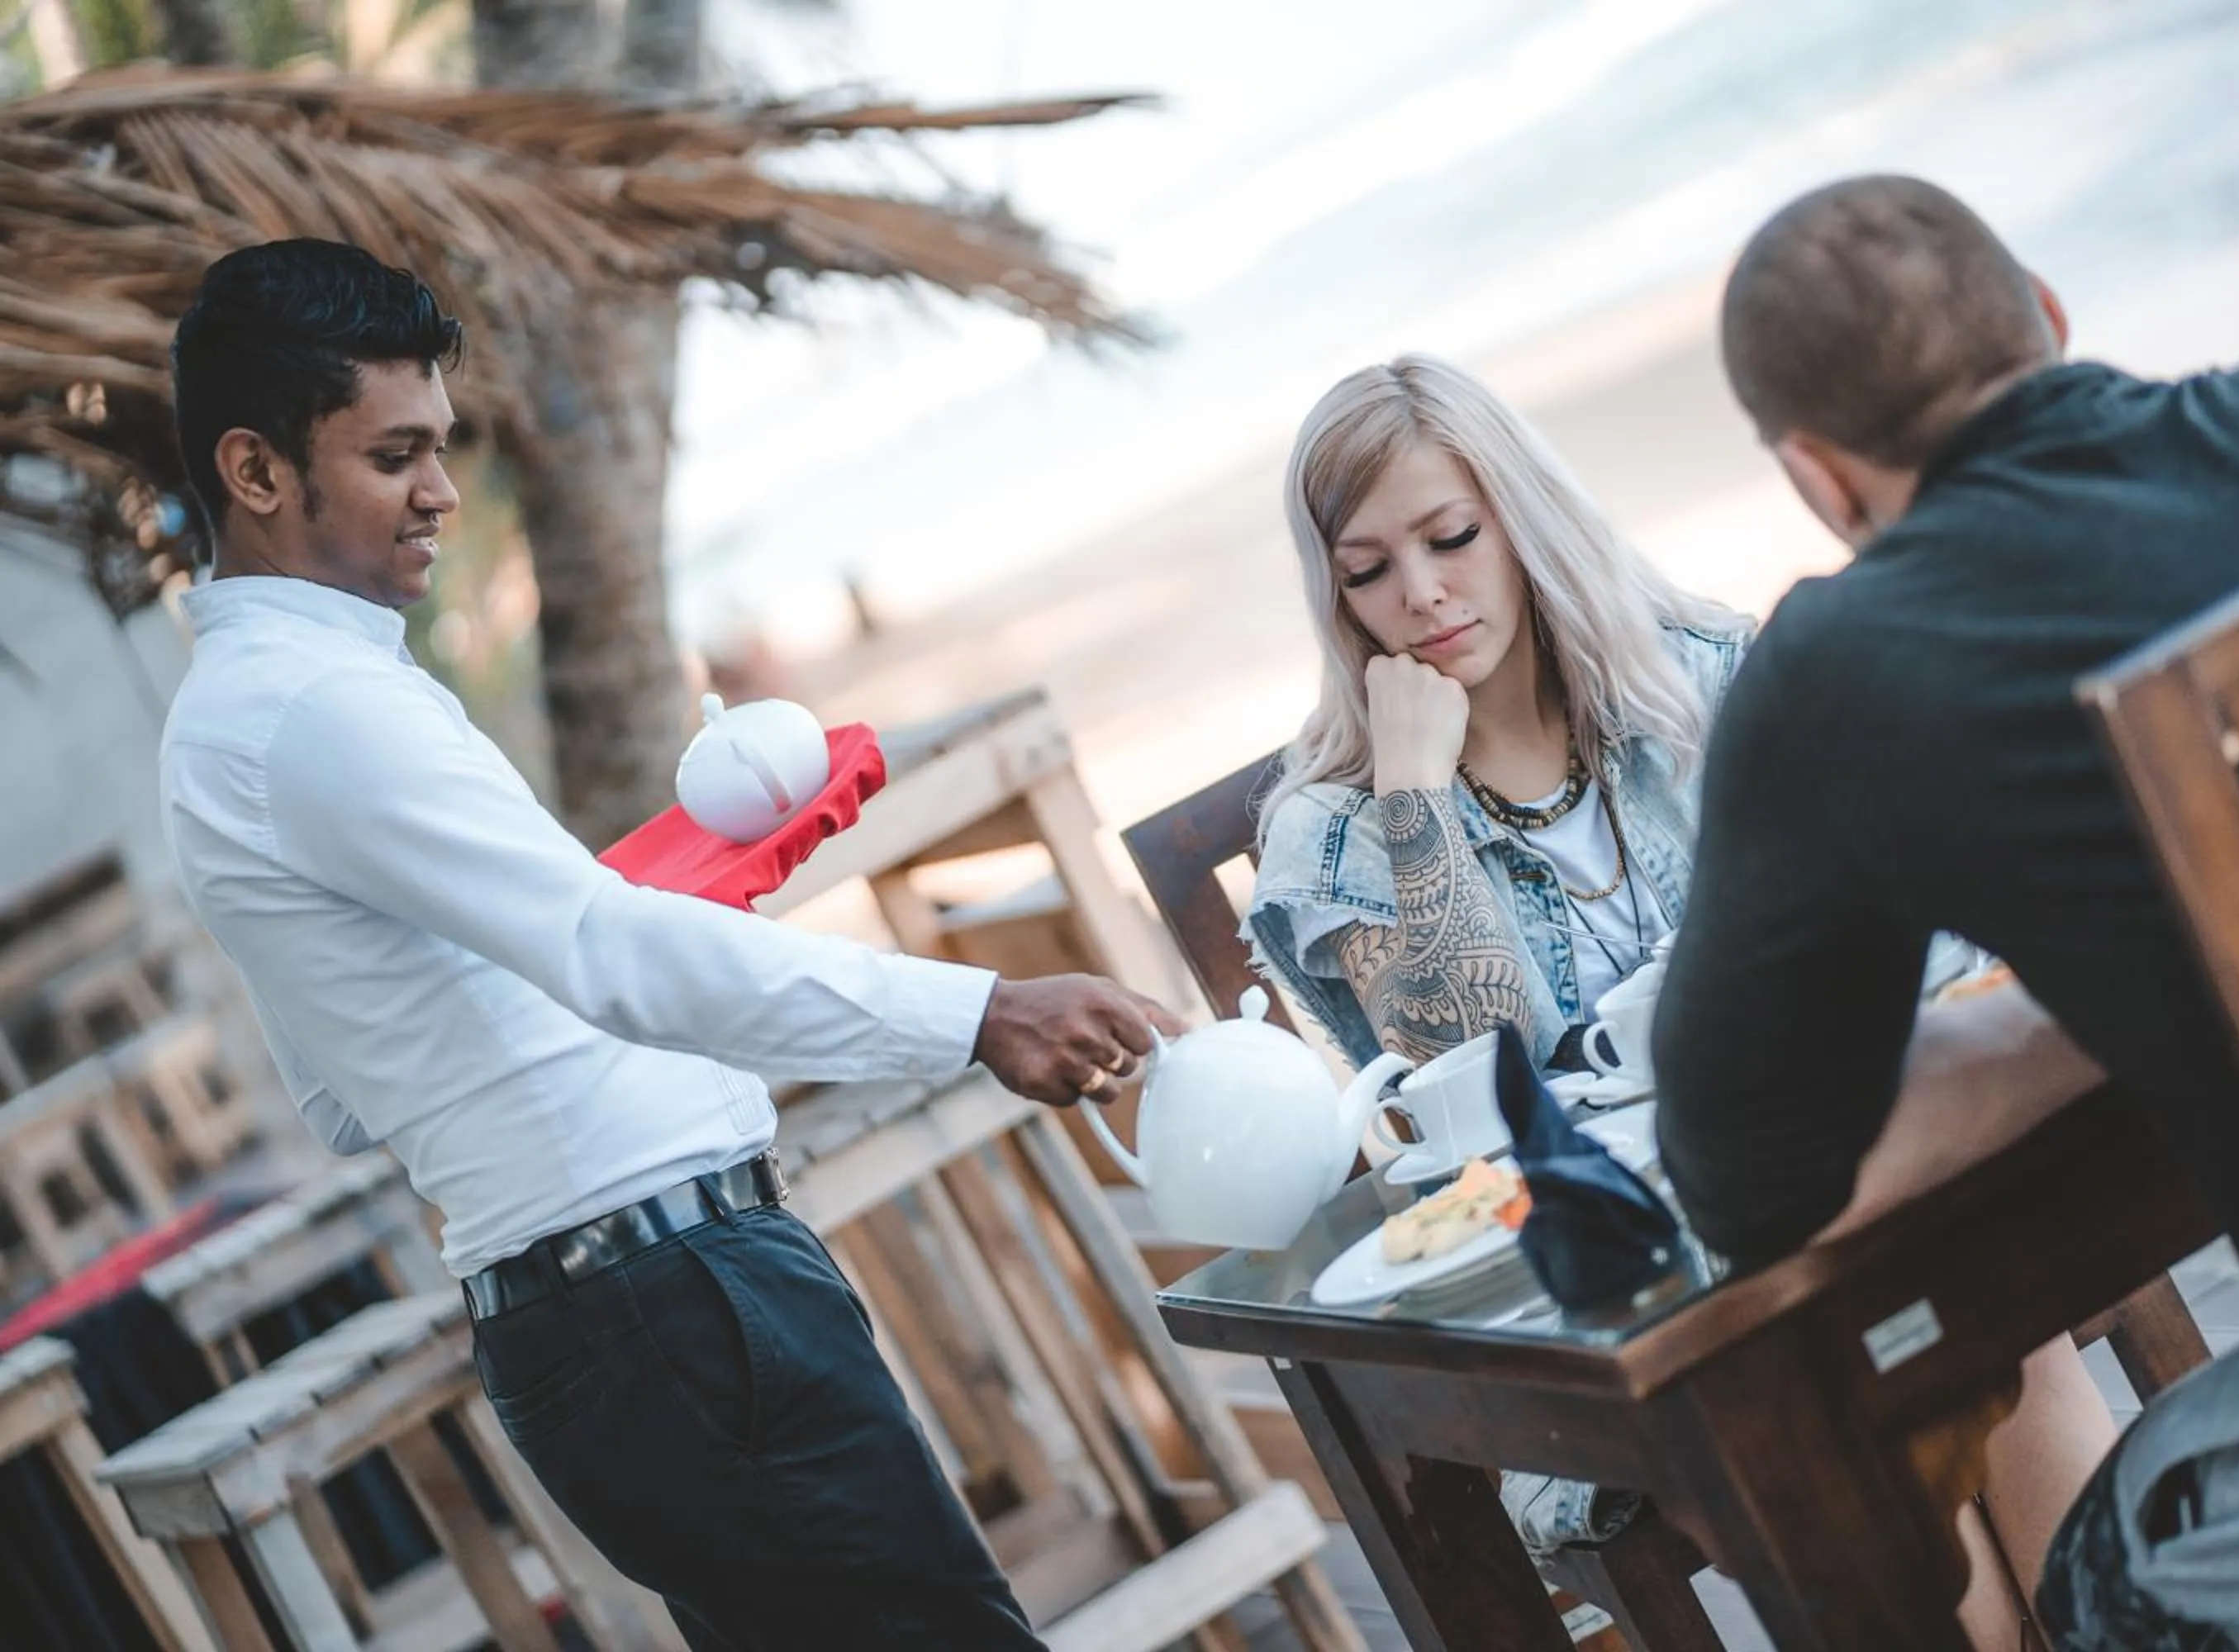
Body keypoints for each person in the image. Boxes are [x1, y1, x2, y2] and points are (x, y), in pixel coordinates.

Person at [157, 239, 1178, 1650]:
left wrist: (625, 909)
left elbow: (348, 1090)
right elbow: (600, 956)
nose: (444, 493)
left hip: (617, 1330)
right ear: (257, 471)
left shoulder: (234, 727)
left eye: (442, 448)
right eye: (396, 456)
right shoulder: (317, 711)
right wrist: (979, 1010)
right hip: (667, 1302)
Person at [1652, 173, 2239, 1649]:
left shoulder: (1843, 676)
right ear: (2046, 313)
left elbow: (1746, 1178)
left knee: (2100, 1570)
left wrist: (2063, 1010)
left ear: (1818, 480)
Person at [1243, 354, 2115, 1645]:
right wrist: (1417, 797)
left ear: (1520, 517)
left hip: (1852, 1207)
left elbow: (1900, 938)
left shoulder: (1697, 680)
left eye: (1450, 538)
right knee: (1860, 1394)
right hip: (1630, 1338)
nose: (1419, 595)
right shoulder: (1336, 834)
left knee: (1962, 1338)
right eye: (1366, 570)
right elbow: (1481, 1093)